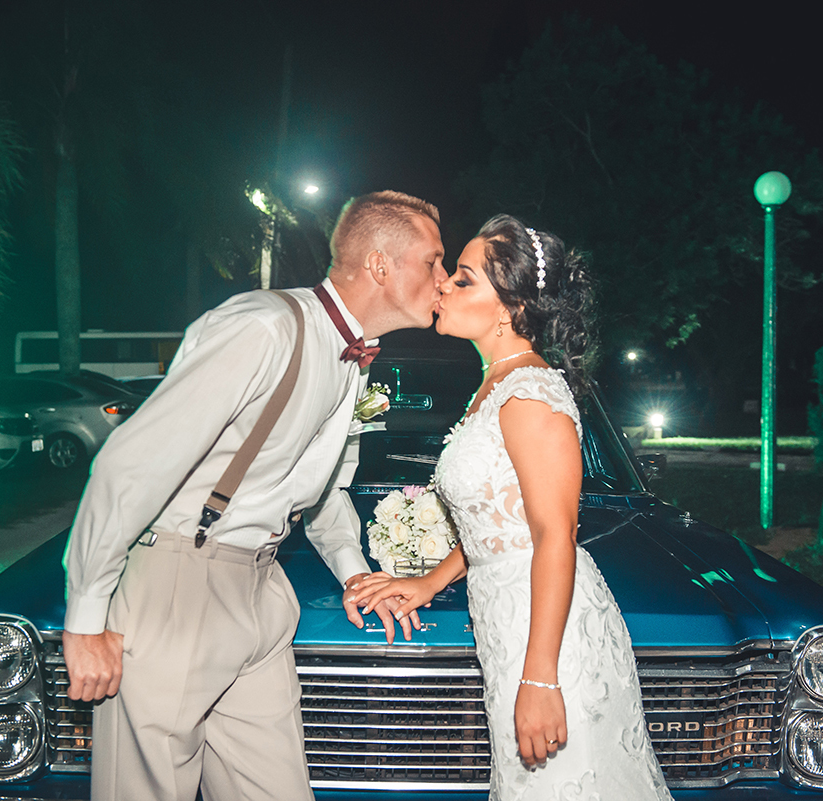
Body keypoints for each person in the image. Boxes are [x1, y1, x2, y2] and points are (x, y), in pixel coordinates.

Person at [61, 190, 445, 801]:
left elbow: (315, 490)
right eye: (433, 261)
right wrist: (85, 619)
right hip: (179, 586)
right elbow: (130, 465)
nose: (443, 280)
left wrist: (355, 576)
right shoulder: (263, 328)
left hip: (260, 596)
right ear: (379, 265)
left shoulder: (355, 359)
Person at [352, 215, 673, 800]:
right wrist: (429, 582)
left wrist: (540, 677)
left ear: (510, 309)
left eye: (464, 280)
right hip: (507, 621)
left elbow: (555, 535)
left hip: (548, 637)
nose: (443, 284)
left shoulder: (530, 393)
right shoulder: (493, 384)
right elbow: (498, 524)